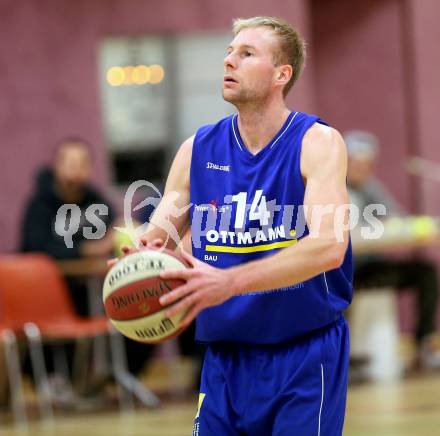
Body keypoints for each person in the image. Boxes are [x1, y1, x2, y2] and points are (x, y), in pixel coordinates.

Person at [120, 16, 352, 435]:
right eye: (229, 52)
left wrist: (230, 283)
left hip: (302, 354)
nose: (229, 61)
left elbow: (329, 246)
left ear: (282, 74)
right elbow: (161, 236)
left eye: (246, 54)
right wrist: (143, 260)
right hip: (225, 357)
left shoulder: (317, 142)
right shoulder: (197, 149)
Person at [20, 138, 152, 387]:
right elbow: (35, 249)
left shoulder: (95, 201)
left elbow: (112, 232)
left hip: (94, 286)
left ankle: (113, 376)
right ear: (57, 166)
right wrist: (86, 249)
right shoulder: (40, 205)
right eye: (69, 162)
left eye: (81, 163)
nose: (75, 169)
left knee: (139, 302)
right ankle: (57, 379)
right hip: (51, 294)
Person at [345, 130, 440, 370]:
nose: (362, 169)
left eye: (367, 164)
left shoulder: (372, 188)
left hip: (371, 266)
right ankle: (345, 354)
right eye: (356, 162)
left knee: (425, 272)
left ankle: (423, 345)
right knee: (332, 284)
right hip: (345, 269)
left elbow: (396, 217)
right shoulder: (334, 188)